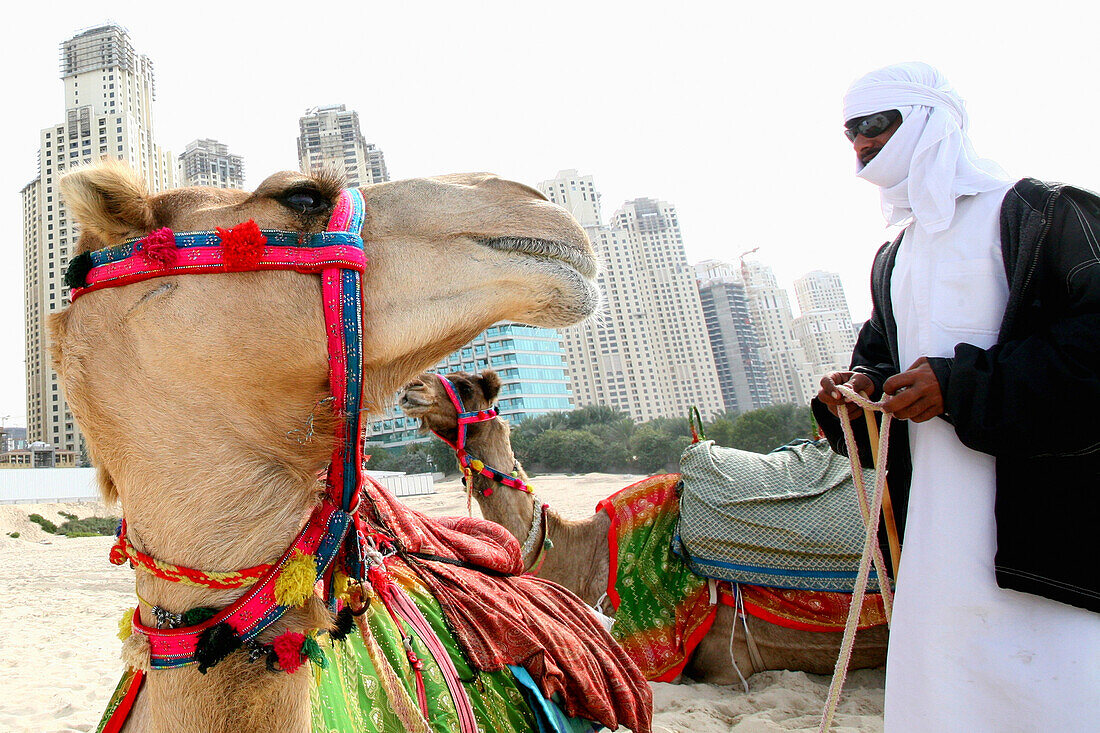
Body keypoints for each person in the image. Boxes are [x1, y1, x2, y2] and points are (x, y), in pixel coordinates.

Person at [812, 62, 1100, 732]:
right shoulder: (894, 256)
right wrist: (853, 394)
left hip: (1046, 543)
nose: (858, 143)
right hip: (934, 546)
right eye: (849, 130)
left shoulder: (1043, 213)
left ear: (929, 120)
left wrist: (963, 386)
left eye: (874, 124)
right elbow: (879, 361)